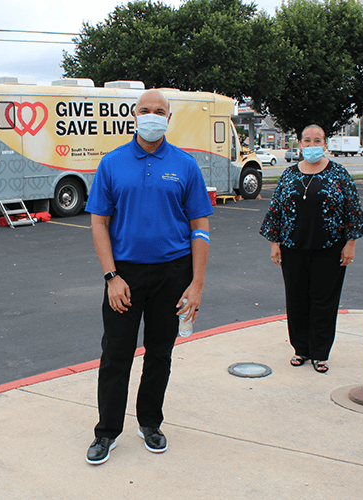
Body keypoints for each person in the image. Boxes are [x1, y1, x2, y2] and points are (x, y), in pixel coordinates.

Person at [84, 89, 213, 465]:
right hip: (124, 275)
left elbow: (200, 226)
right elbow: (98, 224)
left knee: (160, 353)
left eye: (160, 111)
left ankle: (150, 423)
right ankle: (106, 432)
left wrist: (197, 282)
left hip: (173, 274)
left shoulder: (186, 165)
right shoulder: (112, 163)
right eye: (145, 110)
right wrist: (111, 276)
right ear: (134, 116)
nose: (152, 115)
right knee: (116, 355)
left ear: (169, 119)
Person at [260, 124, 363, 374]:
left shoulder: (339, 174)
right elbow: (276, 210)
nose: (311, 145)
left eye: (317, 140)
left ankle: (320, 352)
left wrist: (350, 245)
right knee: (296, 300)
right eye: (307, 141)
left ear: (325, 144)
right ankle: (301, 349)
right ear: (299, 144)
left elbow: (353, 211)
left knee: (324, 301)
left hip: (329, 249)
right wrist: (275, 243)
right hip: (292, 248)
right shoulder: (288, 175)